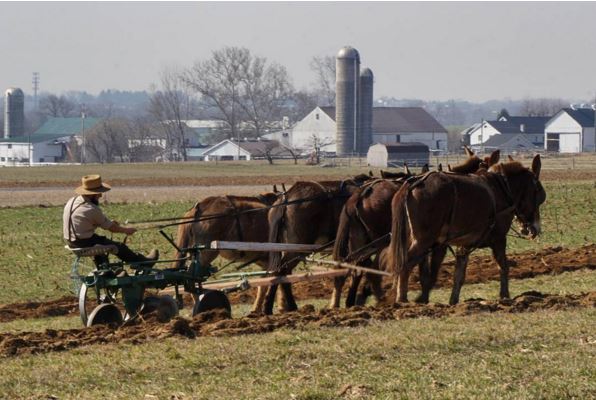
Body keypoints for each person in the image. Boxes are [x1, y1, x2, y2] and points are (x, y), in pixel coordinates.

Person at [63, 174, 158, 267]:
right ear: (91, 195)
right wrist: (126, 230)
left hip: (71, 241)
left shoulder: (73, 201)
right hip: (84, 242)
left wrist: (110, 223)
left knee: (100, 246)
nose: (100, 196)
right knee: (119, 247)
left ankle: (108, 273)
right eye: (98, 193)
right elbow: (112, 229)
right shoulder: (90, 208)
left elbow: (87, 221)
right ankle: (144, 263)